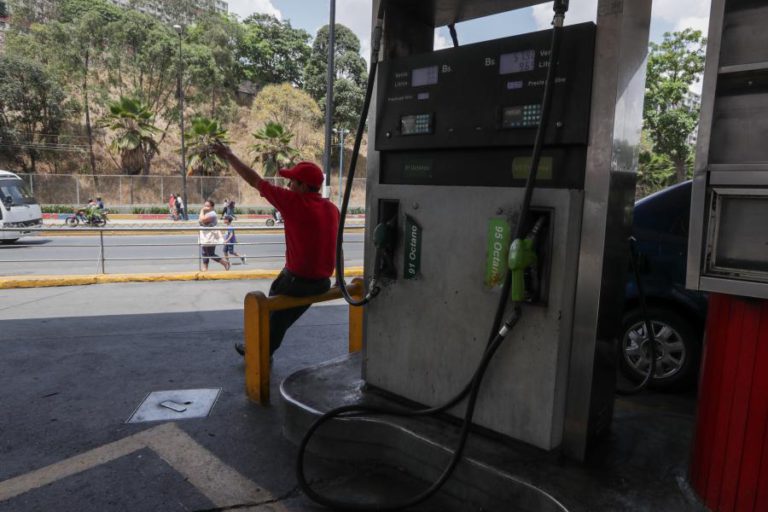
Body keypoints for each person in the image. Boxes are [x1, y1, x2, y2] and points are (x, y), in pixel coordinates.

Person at [214, 143, 339, 358]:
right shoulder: (332, 209)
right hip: (322, 283)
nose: (289, 185)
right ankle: (264, 349)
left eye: (292, 181)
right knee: (280, 320)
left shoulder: (293, 202)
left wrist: (230, 156)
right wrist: (341, 281)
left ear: (302, 185)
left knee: (270, 313)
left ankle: (259, 352)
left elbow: (254, 180)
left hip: (295, 282)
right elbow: (339, 245)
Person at [198, 199, 230, 272]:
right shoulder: (206, 213)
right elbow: (200, 220)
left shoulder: (212, 214)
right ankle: (205, 268)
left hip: (210, 236)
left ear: (212, 207)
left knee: (210, 253)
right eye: (205, 205)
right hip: (204, 235)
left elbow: (202, 220)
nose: (205, 207)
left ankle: (224, 263)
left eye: (208, 206)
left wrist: (202, 210)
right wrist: (203, 211)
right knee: (204, 252)